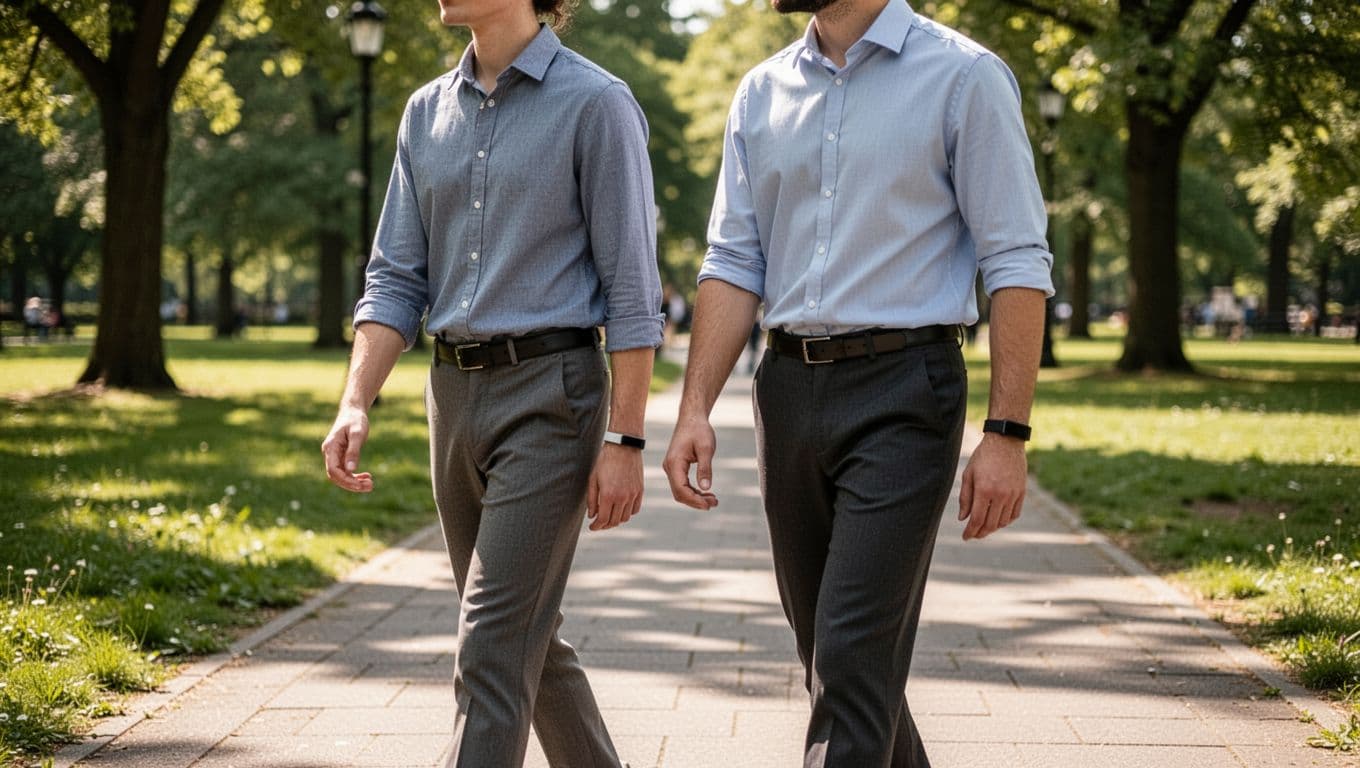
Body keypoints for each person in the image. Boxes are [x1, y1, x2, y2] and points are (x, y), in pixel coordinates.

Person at [662, 0, 1053, 765]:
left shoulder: (965, 77)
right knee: (835, 661)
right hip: (787, 391)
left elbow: (1015, 259)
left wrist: (1007, 432)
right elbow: (734, 259)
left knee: (846, 658)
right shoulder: (761, 91)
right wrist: (694, 408)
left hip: (907, 390)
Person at [321, 0, 663, 765]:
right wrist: (355, 400)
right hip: (452, 397)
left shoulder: (596, 103)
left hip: (553, 394)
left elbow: (634, 293)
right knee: (522, 639)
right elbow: (394, 280)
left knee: (490, 645)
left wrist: (626, 437)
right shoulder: (424, 112)